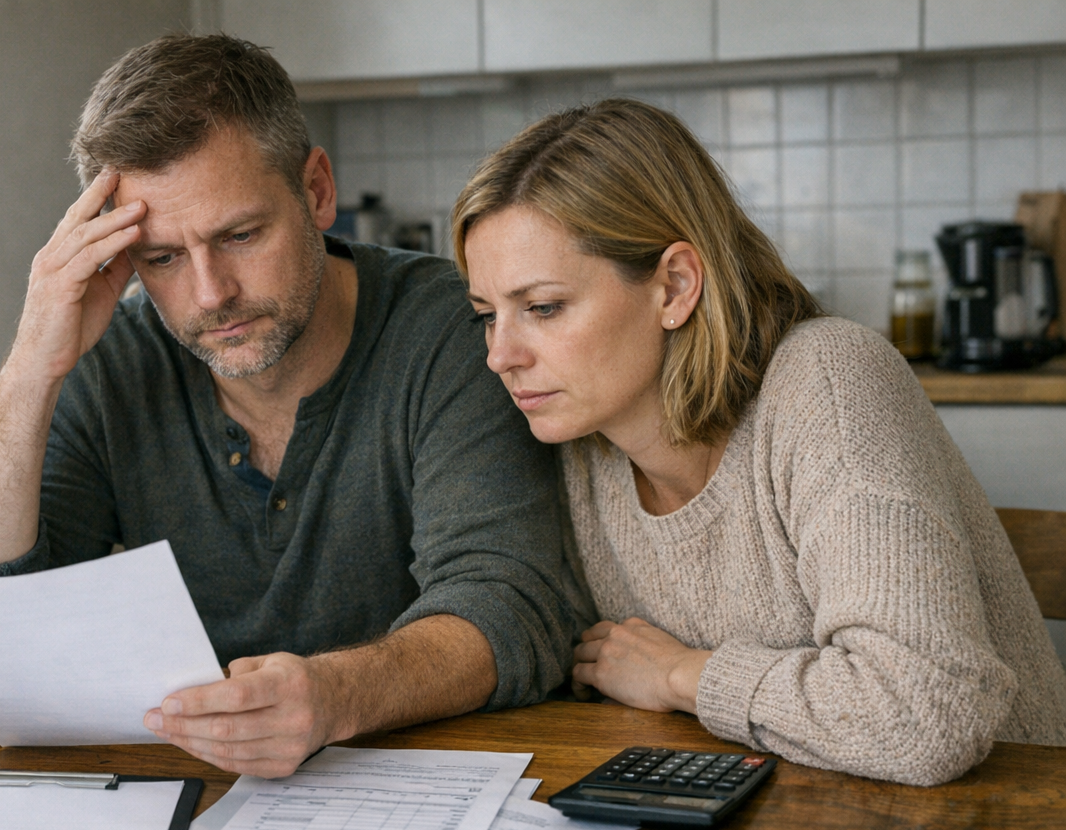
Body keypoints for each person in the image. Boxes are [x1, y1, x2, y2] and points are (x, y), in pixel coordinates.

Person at [0, 35, 587, 778]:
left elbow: (512, 604)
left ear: (316, 190)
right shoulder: (114, 357)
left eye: (240, 235)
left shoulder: (453, 329)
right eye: (161, 258)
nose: (211, 293)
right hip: (198, 797)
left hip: (432, 782)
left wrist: (334, 694)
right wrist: (32, 365)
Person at [453, 98, 1066, 786]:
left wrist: (682, 675)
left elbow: (924, 713)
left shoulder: (830, 382)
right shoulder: (579, 446)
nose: (500, 355)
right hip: (790, 823)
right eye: (485, 315)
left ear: (675, 286)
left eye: (542, 308)